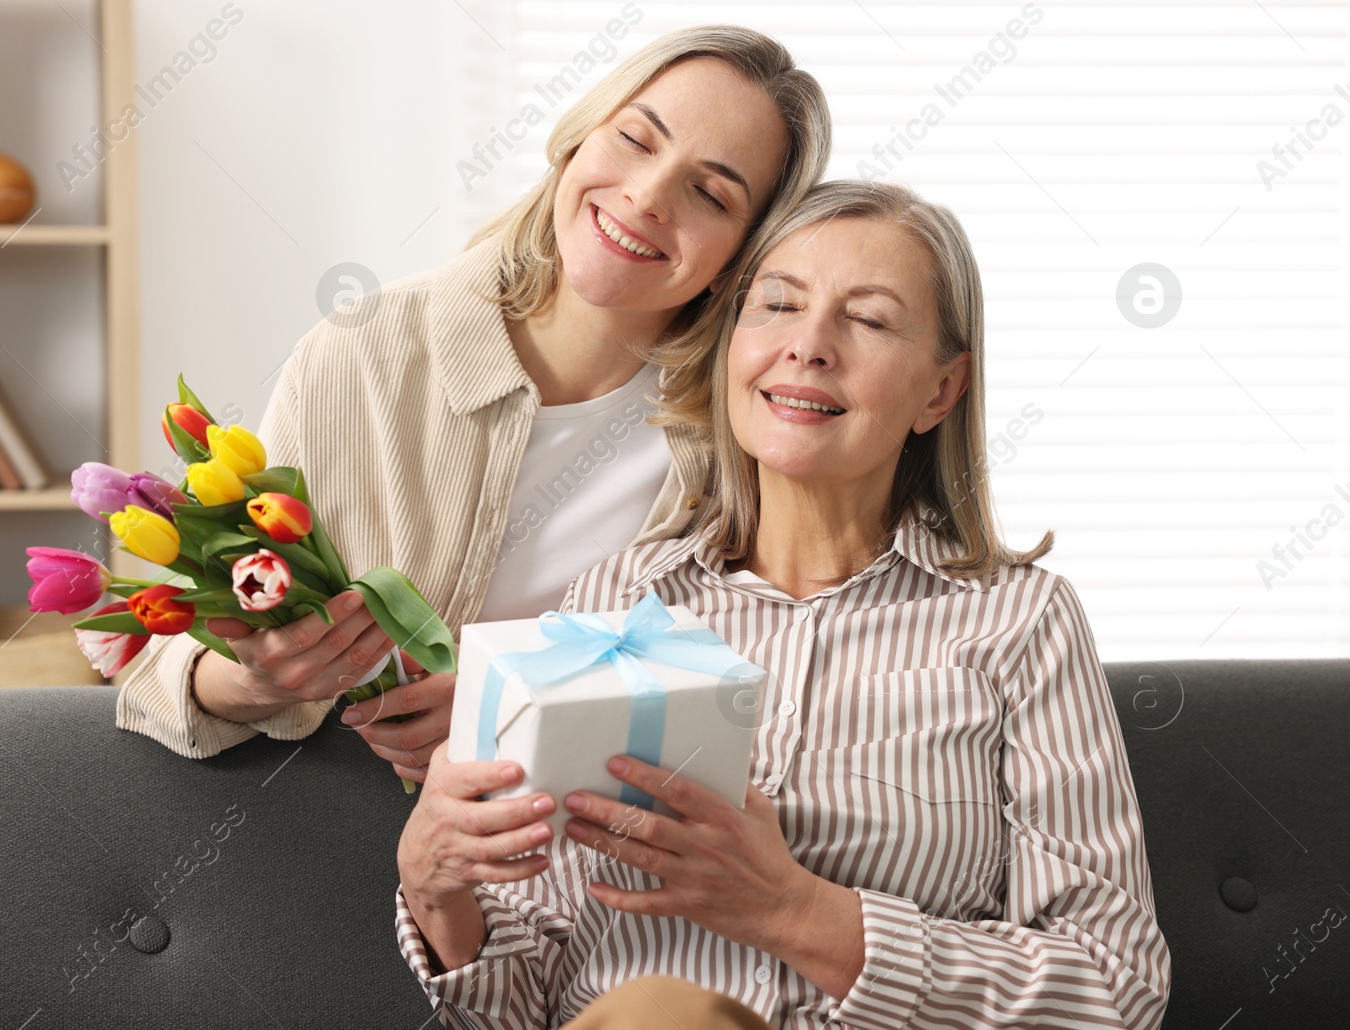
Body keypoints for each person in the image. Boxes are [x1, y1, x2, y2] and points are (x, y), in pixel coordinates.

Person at [394, 179, 1171, 1029]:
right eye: (775, 305)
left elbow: (1116, 986)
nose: (808, 346)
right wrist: (440, 898)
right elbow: (523, 1004)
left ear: (941, 391)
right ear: (733, 346)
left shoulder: (1021, 623)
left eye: (868, 320)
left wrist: (794, 910)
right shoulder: (620, 597)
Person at [115, 26, 833, 781]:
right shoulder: (366, 351)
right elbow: (162, 685)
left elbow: (773, 691)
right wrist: (255, 679)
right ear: (576, 140)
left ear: (740, 259)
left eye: (710, 193)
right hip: (337, 836)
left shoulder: (744, 432)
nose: (646, 196)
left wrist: (516, 705)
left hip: (587, 871)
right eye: (635, 139)